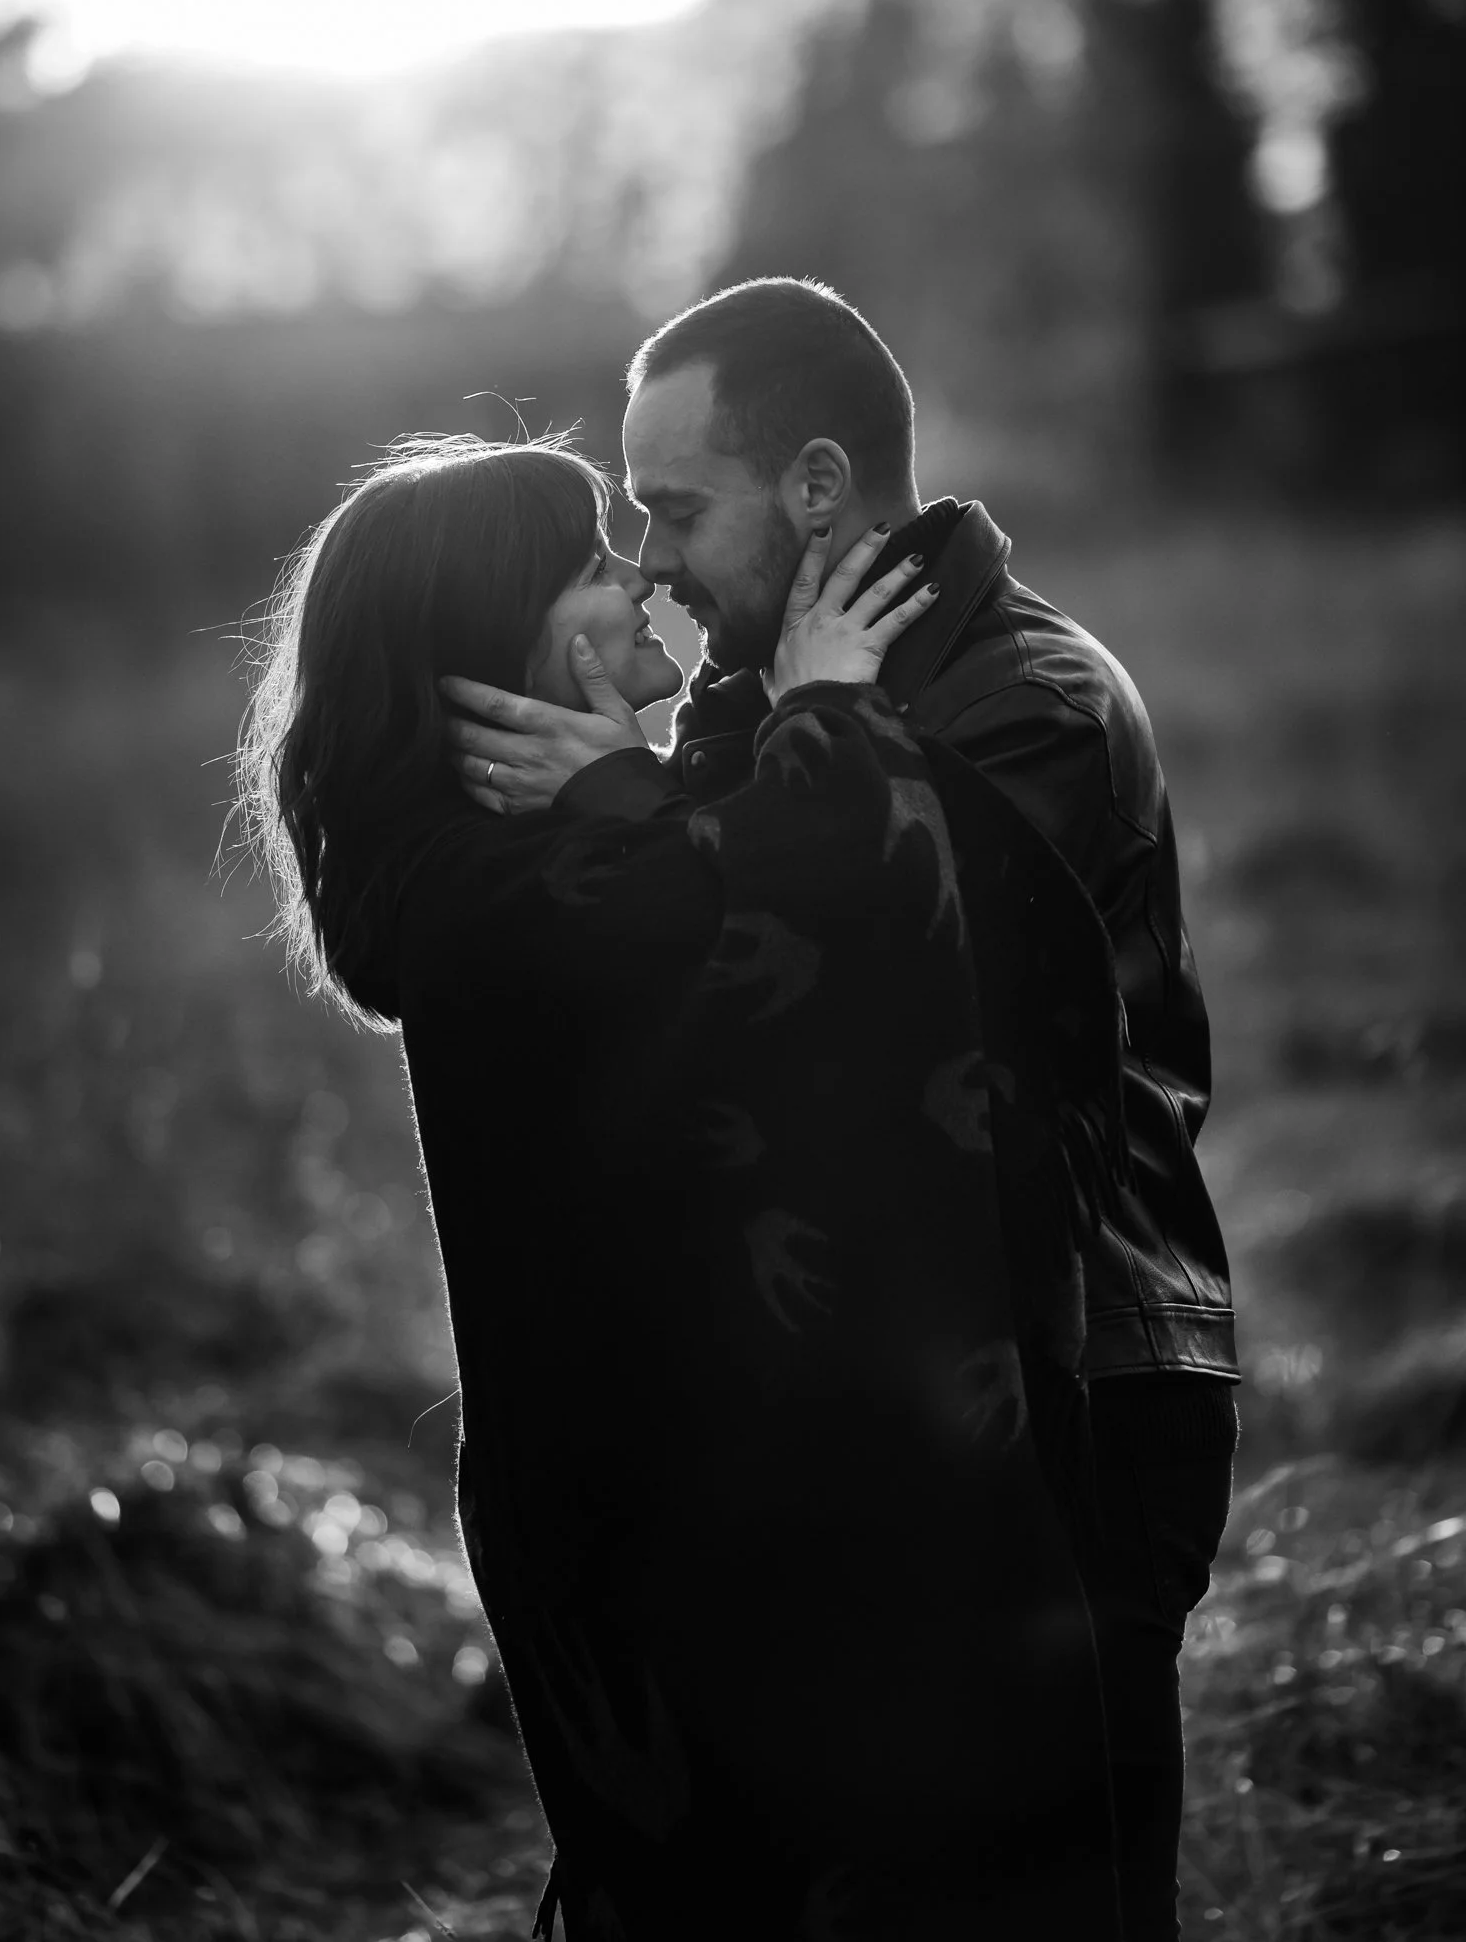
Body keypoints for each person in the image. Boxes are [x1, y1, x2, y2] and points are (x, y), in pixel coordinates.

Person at [242, 432, 1127, 1940]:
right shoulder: (509, 900)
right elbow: (822, 932)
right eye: (593, 562)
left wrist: (630, 784)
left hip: (657, 1509)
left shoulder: (513, 869)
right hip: (676, 1532)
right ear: (493, 642)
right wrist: (832, 711)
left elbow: (689, 895)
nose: (642, 574)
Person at [442, 278, 1239, 1942]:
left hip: (1073, 1389)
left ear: (816, 488)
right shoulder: (766, 703)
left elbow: (866, 1000)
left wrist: (627, 806)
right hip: (877, 1402)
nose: (648, 562)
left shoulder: (1031, 701)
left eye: (673, 509)